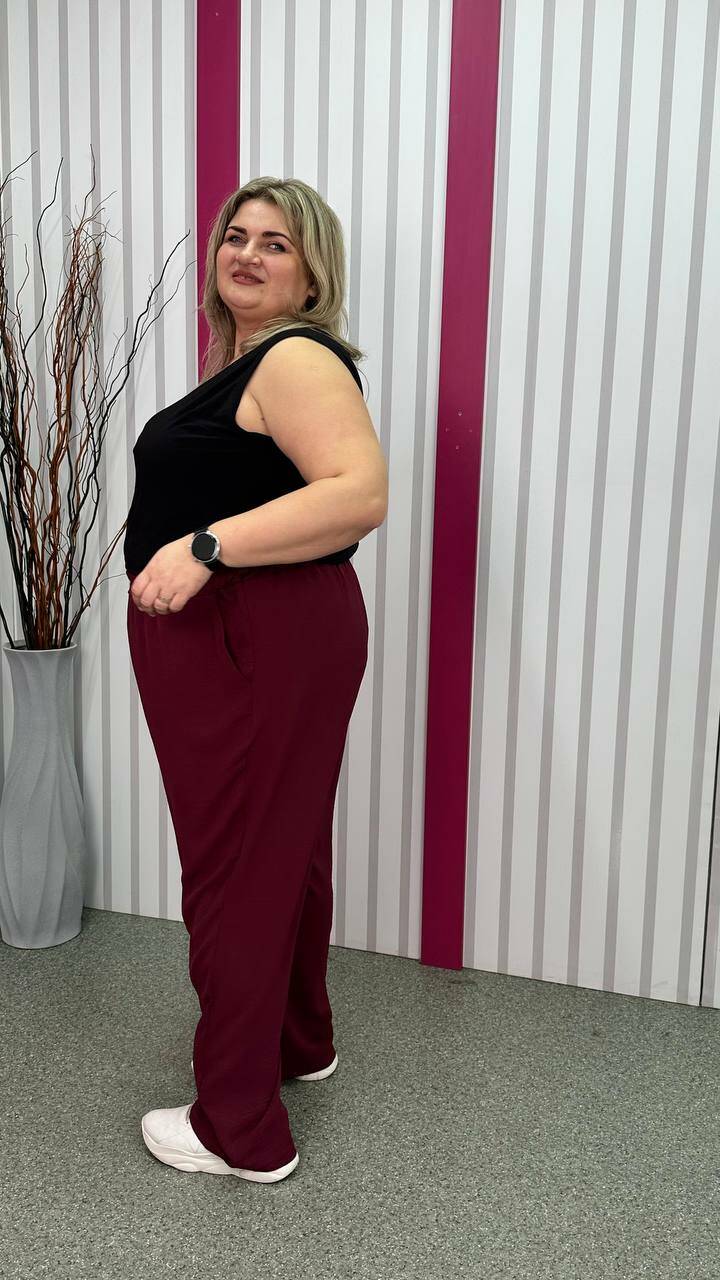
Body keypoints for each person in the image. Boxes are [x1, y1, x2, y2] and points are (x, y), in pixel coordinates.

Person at [124, 177, 388, 1183]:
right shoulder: (251, 364)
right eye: (237, 235)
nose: (247, 252)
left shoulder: (295, 357)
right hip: (265, 632)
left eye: (277, 243)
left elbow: (359, 493)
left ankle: (239, 1126)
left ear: (312, 275)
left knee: (236, 863)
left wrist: (204, 546)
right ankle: (298, 1038)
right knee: (283, 845)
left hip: (251, 632)